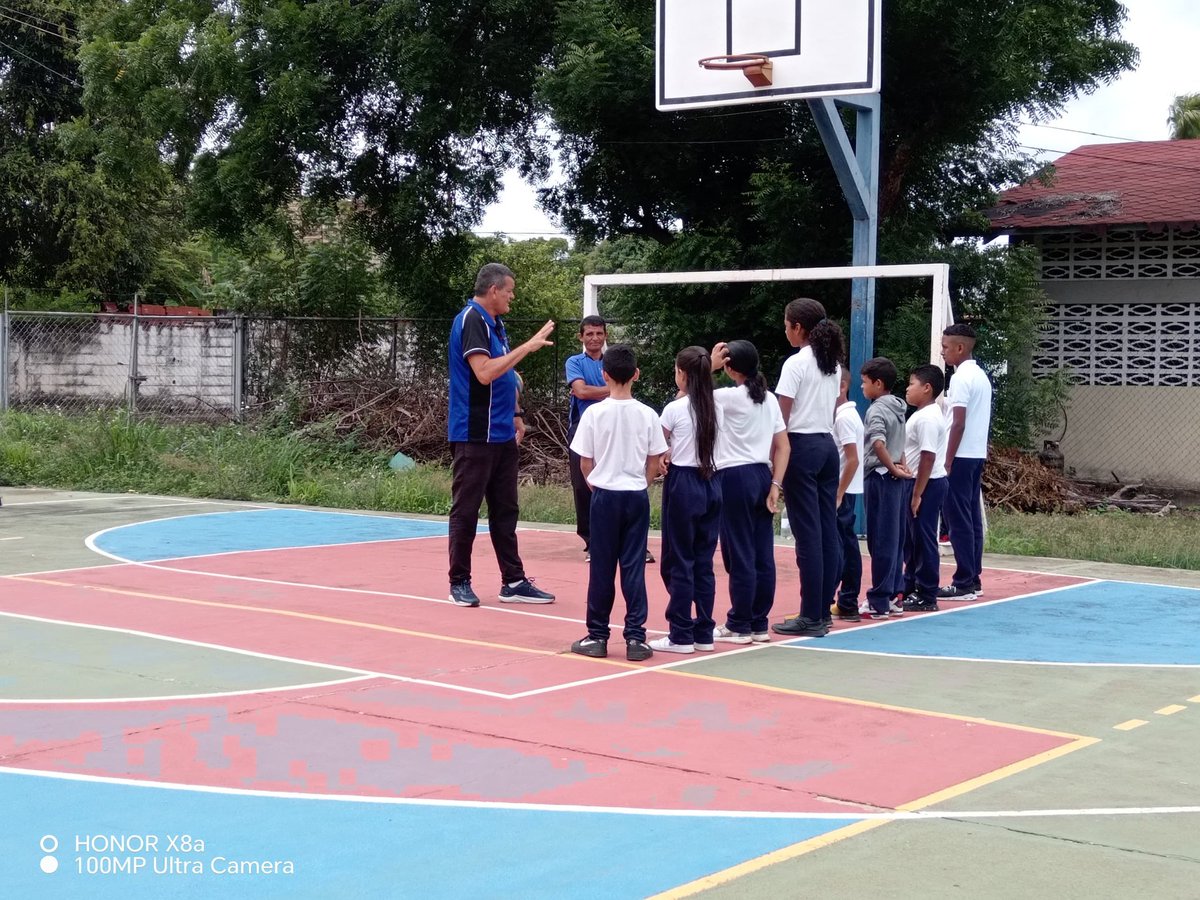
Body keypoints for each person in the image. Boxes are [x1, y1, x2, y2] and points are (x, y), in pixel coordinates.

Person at [447, 262, 557, 608]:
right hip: (474, 432)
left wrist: (516, 412)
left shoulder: (496, 323)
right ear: (493, 290)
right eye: (509, 290)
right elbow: (484, 373)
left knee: (506, 509)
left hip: (502, 432)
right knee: (466, 509)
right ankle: (459, 582)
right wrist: (528, 346)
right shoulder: (471, 320)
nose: (512, 296)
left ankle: (513, 581)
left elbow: (507, 376)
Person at [568, 345, 668, 662]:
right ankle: (636, 639)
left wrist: (596, 484)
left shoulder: (595, 414)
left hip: (605, 495)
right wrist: (644, 482)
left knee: (602, 567)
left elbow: (585, 462)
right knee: (633, 567)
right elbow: (655, 458)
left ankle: (597, 635)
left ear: (604, 374)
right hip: (635, 495)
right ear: (636, 374)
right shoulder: (648, 414)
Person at [772, 298, 847, 638]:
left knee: (808, 536)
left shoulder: (795, 364)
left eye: (786, 325)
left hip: (801, 447)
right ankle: (821, 610)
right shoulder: (831, 363)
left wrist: (772, 458)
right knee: (826, 531)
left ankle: (811, 615)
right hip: (826, 446)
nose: (785, 330)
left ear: (797, 328)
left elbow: (780, 418)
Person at [710, 340, 789, 644]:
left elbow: (690, 392)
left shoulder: (727, 397)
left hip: (734, 476)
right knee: (760, 551)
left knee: (739, 551)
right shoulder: (768, 399)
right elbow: (783, 446)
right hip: (761, 474)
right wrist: (775, 484)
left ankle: (739, 623)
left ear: (729, 368)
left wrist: (711, 365)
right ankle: (758, 622)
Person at [652, 346, 723, 654]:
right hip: (713, 481)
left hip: (684, 483)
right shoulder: (716, 406)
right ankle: (704, 631)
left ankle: (680, 632)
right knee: (703, 561)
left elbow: (655, 442)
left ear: (682, 374)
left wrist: (664, 455)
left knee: (678, 561)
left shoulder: (675, 409)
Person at [938, 323, 993, 601]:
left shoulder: (960, 379)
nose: (942, 351)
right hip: (975, 455)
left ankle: (963, 582)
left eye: (946, 347)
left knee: (957, 519)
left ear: (960, 348)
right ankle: (973, 577)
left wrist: (946, 460)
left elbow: (957, 422)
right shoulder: (981, 376)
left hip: (959, 456)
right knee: (970, 518)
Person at [859, 357, 912, 620]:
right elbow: (898, 444)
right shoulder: (899, 408)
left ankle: (879, 600)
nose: (862, 387)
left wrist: (892, 468)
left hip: (880, 477)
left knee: (880, 540)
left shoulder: (876, 410)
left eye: (865, 382)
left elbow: (879, 443)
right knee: (894, 538)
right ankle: (893, 595)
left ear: (878, 384)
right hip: (895, 479)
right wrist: (901, 466)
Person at [902, 365, 950, 613]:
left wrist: (917, 493)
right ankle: (910, 585)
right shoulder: (921, 414)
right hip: (920, 482)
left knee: (923, 538)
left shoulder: (929, 417)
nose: (907, 389)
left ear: (927, 388)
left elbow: (928, 457)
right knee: (912, 539)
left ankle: (927, 592)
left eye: (912, 384)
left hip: (927, 484)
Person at [565, 316, 610, 560]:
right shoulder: (574, 361)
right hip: (582, 428)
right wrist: (614, 388)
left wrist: (592, 393)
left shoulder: (612, 361)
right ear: (581, 337)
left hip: (611, 428)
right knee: (583, 486)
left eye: (599, 333)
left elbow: (585, 392)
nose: (594, 338)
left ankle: (623, 540)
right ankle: (592, 541)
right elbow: (580, 391)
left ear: (605, 336)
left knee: (614, 482)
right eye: (589, 334)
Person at [833, 365, 865, 622]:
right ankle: (847, 600)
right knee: (846, 543)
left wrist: (839, 492)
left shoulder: (844, 417)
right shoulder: (848, 415)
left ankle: (846, 600)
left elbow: (852, 459)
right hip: (846, 488)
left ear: (842, 386)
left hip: (842, 490)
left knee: (841, 546)